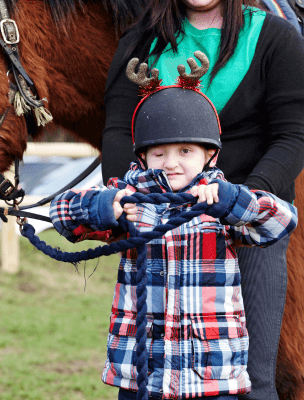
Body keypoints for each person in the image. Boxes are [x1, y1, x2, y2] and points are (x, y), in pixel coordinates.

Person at [49, 56, 298, 399]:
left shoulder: (221, 206)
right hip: (143, 370)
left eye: (185, 150)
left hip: (210, 375)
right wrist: (107, 209)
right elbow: (61, 214)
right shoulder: (131, 199)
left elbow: (281, 221)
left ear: (209, 156)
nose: (172, 163)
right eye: (159, 154)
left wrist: (231, 202)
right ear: (143, 159)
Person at [100, 1, 304, 399]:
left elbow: (293, 133)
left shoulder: (275, 38)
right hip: (165, 229)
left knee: (257, 381)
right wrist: (130, 194)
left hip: (249, 224)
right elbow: (118, 130)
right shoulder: (140, 40)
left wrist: (245, 198)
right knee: (153, 380)